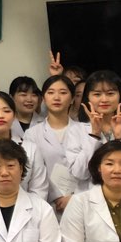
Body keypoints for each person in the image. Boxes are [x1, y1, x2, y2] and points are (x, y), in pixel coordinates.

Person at [23, 75, 92, 215]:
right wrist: (55, 198)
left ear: (72, 99)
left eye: (63, 92)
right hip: (49, 205)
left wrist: (75, 197)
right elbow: (34, 174)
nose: (56, 97)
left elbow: (93, 170)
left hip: (83, 202)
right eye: (50, 92)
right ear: (43, 98)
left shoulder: (86, 130)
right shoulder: (32, 134)